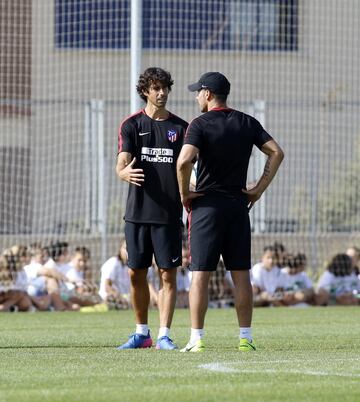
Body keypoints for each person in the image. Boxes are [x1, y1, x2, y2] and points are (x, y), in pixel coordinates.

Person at [176, 72, 284, 352]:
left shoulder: (199, 124)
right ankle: (245, 338)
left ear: (208, 94)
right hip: (238, 207)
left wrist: (184, 194)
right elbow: (276, 152)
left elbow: (184, 161)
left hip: (207, 208)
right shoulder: (247, 121)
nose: (197, 97)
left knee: (200, 273)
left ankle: (196, 339)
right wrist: (258, 189)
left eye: (198, 92)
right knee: (241, 273)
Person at [116, 67, 188, 350]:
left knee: (167, 275)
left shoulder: (181, 128)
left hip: (169, 215)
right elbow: (121, 164)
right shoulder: (132, 125)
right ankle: (141, 333)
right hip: (137, 214)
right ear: (145, 91)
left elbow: (190, 166)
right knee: (135, 272)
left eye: (165, 88)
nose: (162, 93)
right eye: (156, 88)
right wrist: (123, 173)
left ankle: (164, 335)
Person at [99, 239, 131, 309]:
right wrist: (119, 296)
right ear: (120, 249)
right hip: (110, 297)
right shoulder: (113, 263)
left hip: (125, 297)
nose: (128, 252)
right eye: (126, 248)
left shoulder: (130, 266)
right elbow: (107, 287)